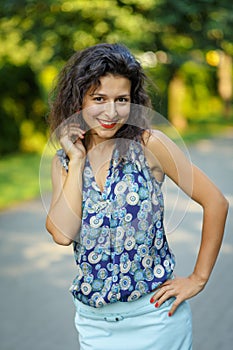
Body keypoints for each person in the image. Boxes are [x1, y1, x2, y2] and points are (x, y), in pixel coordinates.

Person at [45, 43, 228, 350]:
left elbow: (216, 202)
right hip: (94, 324)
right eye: (99, 99)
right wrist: (76, 161)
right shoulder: (63, 162)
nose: (111, 112)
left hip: (155, 317)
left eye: (122, 100)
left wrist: (198, 278)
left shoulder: (150, 145)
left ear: (134, 101)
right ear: (78, 100)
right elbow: (62, 235)